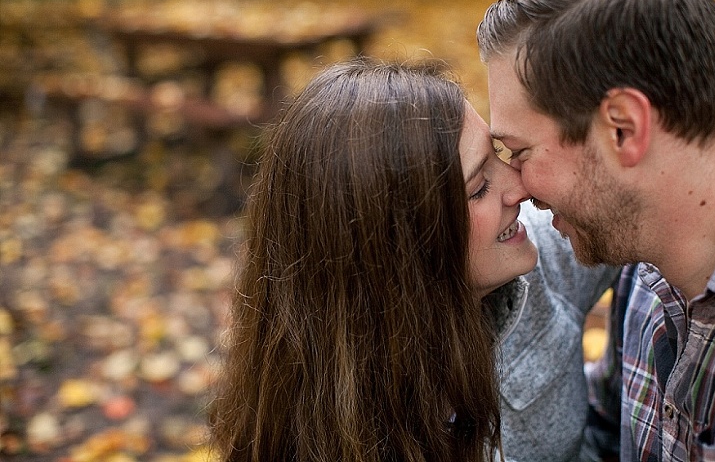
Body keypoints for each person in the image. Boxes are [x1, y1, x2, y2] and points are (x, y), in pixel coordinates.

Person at [208, 58, 617, 462]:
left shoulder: (537, 257)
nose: (520, 187)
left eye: (498, 153)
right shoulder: (318, 422)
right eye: (478, 189)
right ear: (399, 250)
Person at [478, 0, 715, 460]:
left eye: (519, 152)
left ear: (623, 128)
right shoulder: (646, 270)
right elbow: (608, 437)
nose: (519, 187)